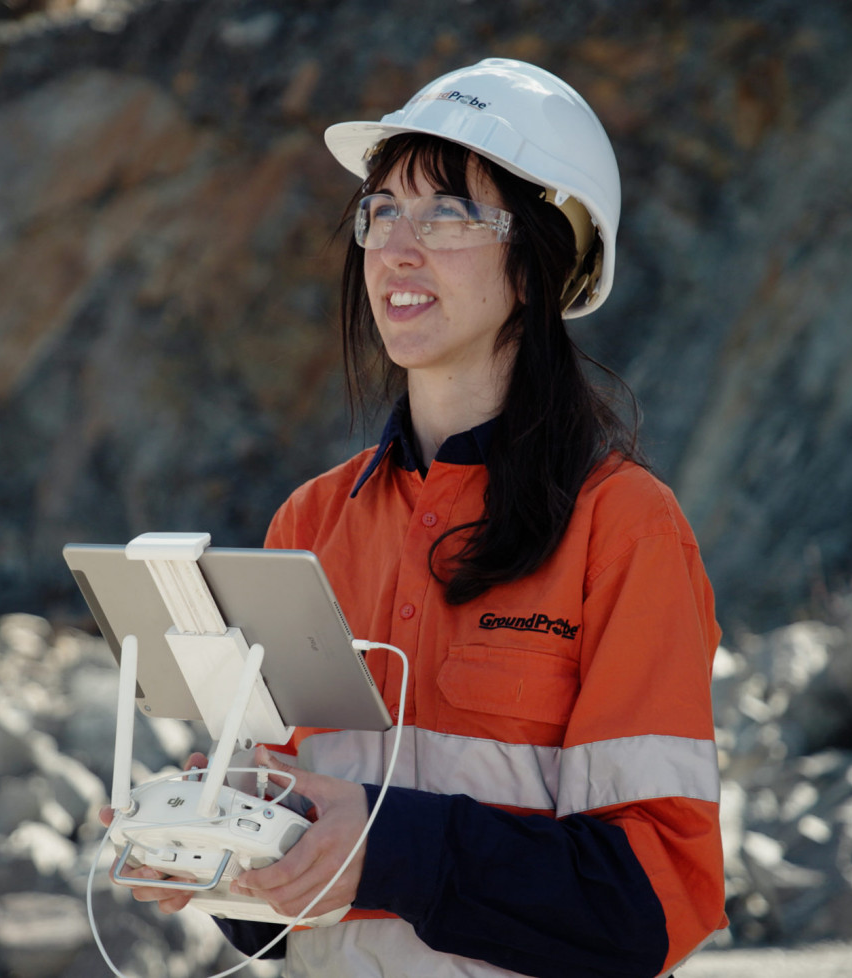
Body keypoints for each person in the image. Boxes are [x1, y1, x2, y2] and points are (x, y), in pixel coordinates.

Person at [107, 58, 727, 978]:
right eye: (382, 210)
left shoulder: (626, 529)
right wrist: (209, 846)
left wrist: (392, 848)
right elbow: (275, 918)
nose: (398, 246)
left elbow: (650, 906)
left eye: (448, 213)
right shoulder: (311, 523)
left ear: (541, 259)